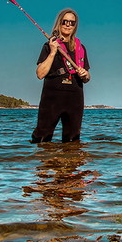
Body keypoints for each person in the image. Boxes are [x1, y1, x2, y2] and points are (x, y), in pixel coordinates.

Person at [31, 8, 91, 143]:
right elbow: (40, 74)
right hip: (53, 95)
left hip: (75, 96)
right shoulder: (49, 45)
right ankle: (45, 162)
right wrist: (52, 52)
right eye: (65, 21)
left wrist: (85, 74)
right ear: (60, 23)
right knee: (42, 136)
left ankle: (71, 161)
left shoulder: (81, 48)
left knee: (73, 139)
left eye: (72, 22)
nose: (68, 25)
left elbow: (87, 78)